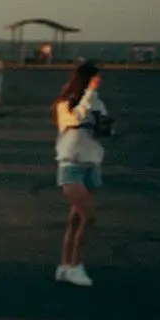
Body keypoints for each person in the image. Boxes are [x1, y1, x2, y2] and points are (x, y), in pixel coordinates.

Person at [53, 60, 110, 287]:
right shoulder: (64, 105)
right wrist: (89, 95)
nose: (99, 83)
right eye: (95, 79)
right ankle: (76, 266)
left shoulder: (97, 103)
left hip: (91, 165)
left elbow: (100, 128)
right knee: (89, 217)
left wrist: (107, 129)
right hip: (71, 166)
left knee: (75, 220)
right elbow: (76, 118)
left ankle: (65, 266)